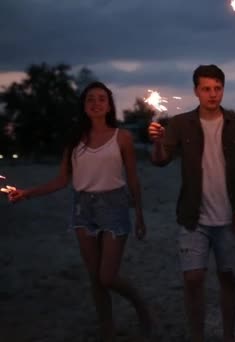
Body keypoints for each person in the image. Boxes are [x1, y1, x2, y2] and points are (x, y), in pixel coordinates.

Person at [8, 81, 152, 341]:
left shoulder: (122, 137)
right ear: (84, 107)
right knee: (95, 279)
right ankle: (107, 331)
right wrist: (27, 193)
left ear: (109, 105)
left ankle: (141, 308)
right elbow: (62, 180)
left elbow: (132, 178)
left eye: (101, 99)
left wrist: (139, 214)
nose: (96, 103)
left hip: (114, 206)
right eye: (90, 99)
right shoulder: (75, 140)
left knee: (107, 276)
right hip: (82, 208)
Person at [148, 64, 235, 342]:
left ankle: (228, 336)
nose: (212, 94)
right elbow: (160, 161)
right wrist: (158, 142)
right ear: (196, 90)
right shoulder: (181, 123)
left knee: (228, 277)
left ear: (223, 89)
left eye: (217, 88)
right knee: (193, 278)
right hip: (193, 215)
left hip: (229, 216)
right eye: (206, 89)